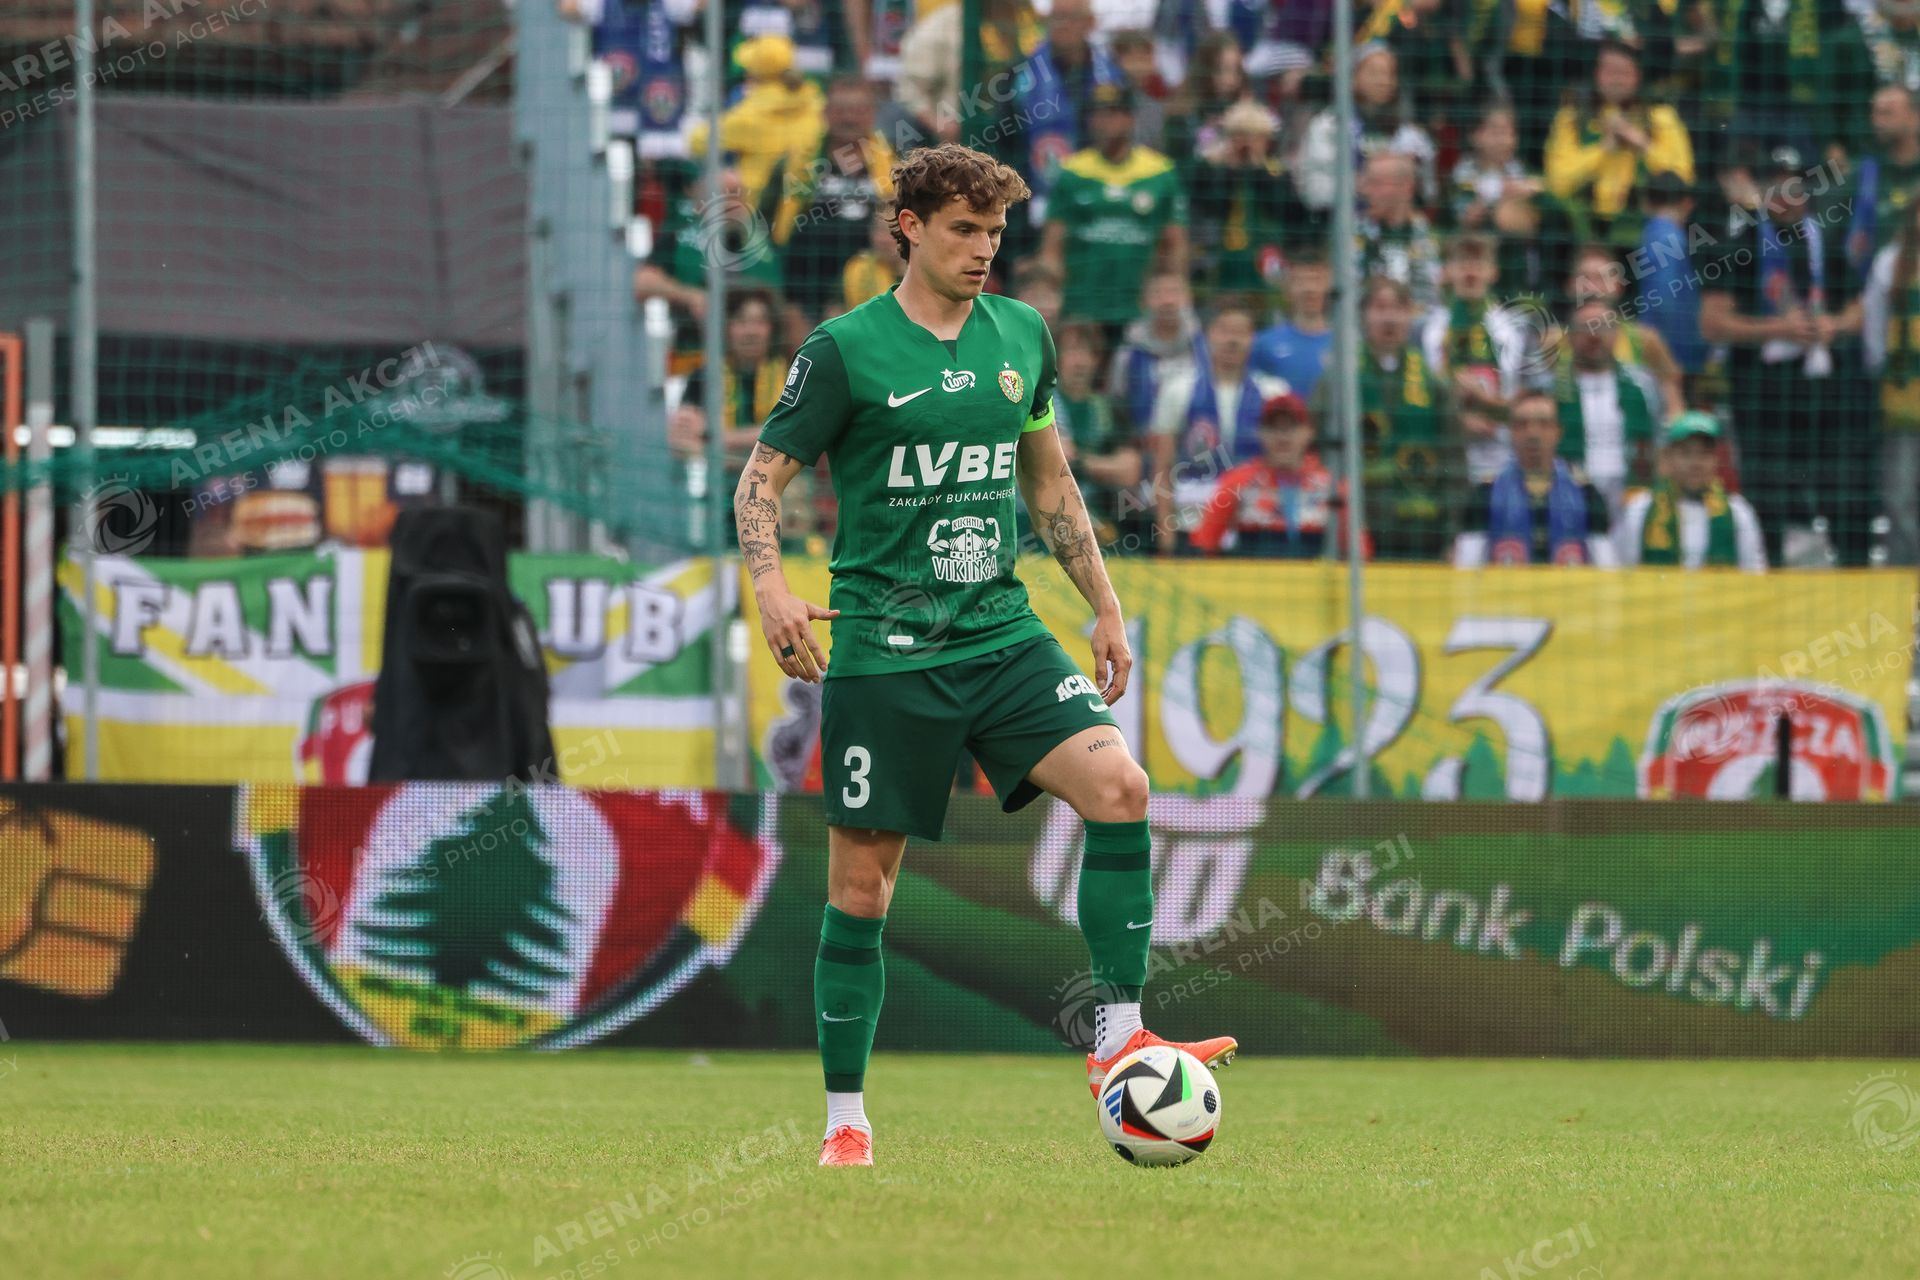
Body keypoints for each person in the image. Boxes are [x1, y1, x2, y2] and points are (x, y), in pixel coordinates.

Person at [734, 143, 1235, 1168]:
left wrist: (1105, 604)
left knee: (1122, 789)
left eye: (996, 232)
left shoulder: (1022, 334)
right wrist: (773, 586)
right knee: (862, 893)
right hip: (886, 651)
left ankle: (1118, 1040)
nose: (983, 249)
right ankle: (845, 1119)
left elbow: (1050, 485)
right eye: (964, 229)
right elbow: (760, 479)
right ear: (909, 228)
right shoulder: (844, 350)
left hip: (1002, 632)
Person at [1316, 275, 1459, 562]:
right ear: (1364, 316)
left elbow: (1454, 460)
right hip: (1358, 528)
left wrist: (1450, 531)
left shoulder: (1434, 382)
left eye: (1399, 308)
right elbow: (1321, 450)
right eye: (1380, 308)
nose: (1389, 318)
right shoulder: (1339, 379)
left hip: (1422, 529)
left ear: (1410, 315)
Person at [1040, 81, 1188, 336]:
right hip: (1082, 306)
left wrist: (1170, 293)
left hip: (1140, 307)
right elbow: (1052, 247)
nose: (1103, 121)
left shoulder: (1160, 173)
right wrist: (1054, 294)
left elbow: (1175, 244)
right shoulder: (1073, 172)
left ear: (1130, 118)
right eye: (1097, 113)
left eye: (1112, 113)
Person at [1147, 300, 1291, 550]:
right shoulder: (1178, 390)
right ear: (1208, 334)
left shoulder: (1274, 393)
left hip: (1254, 526)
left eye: (1241, 332)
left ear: (1253, 339)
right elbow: (1162, 465)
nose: (1232, 340)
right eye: (1225, 330)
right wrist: (1165, 529)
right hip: (1191, 522)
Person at [1544, 39, 1695, 248]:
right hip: (1583, 231)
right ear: (1596, 73)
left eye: (1624, 72)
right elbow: (1557, 182)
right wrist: (1603, 149)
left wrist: (1641, 143)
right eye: (1609, 71)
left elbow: (1683, 177)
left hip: (1641, 230)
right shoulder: (1572, 118)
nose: (1616, 79)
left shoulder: (1661, 117)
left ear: (1638, 75)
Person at [776, 76, 898, 322]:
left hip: (875, 286)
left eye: (857, 110)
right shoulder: (797, 164)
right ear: (826, 113)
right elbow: (775, 232)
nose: (849, 118)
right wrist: (790, 309)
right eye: (841, 110)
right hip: (808, 287)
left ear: (872, 114)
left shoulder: (895, 161)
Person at [1454, 390, 1617, 567]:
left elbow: (1606, 568)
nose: (1532, 433)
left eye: (1544, 424)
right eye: (1522, 424)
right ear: (1511, 432)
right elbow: (1466, 567)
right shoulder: (1486, 493)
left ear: (1558, 431)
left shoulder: (1586, 493)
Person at [1421, 232, 1534, 482]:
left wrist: (1488, 403)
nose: (1470, 271)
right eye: (1462, 262)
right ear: (1448, 271)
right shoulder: (1429, 329)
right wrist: (1459, 419)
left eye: (1479, 262)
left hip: (1505, 456)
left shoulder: (1517, 329)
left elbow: (1529, 395)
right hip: (1447, 456)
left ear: (1494, 271)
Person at [1190, 392, 1354, 558]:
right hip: (1256, 572)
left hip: (1317, 571)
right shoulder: (1238, 482)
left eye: (1291, 427)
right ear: (1260, 432)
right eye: (1273, 427)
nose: (1282, 436)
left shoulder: (1332, 485)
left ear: (1309, 432)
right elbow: (1204, 545)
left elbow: (1358, 551)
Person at [1854, 194, 1920, 564]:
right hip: (1903, 401)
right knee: (1899, 495)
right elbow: (1874, 330)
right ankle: (1905, 573)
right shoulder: (1890, 263)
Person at [1552, 297, 1660, 524]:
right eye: (1585, 328)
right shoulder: (1551, 387)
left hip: (1630, 498)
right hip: (1569, 493)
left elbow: (1657, 442)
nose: (1594, 335)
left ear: (1618, 333)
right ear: (1569, 336)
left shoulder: (1642, 384)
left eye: (1603, 326)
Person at [1293, 41, 1436, 211]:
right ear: (1353, 78)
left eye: (1390, 74)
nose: (1384, 81)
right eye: (1374, 73)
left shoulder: (1410, 135)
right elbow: (1315, 192)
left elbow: (1429, 192)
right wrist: (1362, 186)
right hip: (1343, 222)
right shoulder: (1328, 127)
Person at [1616, 413, 1768, 571]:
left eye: (1704, 454)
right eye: (1686, 454)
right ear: (1669, 457)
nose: (1696, 463)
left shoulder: (1738, 512)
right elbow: (1623, 570)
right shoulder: (1641, 509)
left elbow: (1754, 572)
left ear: (1716, 460)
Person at [1052, 322, 1142, 543]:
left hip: (1098, 518)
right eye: (1072, 351)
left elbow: (1129, 470)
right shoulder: (1038, 404)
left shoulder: (1110, 408)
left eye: (1088, 353)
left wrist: (1079, 462)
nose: (1080, 361)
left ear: (1098, 360)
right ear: (1056, 358)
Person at [1108, 268, 1201, 432]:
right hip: (1143, 441)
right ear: (1143, 302)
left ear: (1189, 299)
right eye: (1158, 294)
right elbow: (1117, 404)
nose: (1167, 301)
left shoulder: (1205, 349)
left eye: (1175, 292)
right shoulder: (1127, 354)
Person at [1355, 151, 1444, 309]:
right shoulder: (1353, 235)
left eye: (1376, 183)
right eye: (1366, 183)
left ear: (1406, 188)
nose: (1366, 192)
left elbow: (1431, 301)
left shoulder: (1432, 241)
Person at [1252, 249, 1335, 402]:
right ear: (1287, 291)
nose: (1309, 289)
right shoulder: (1264, 343)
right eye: (1300, 281)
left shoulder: (1346, 346)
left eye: (1316, 280)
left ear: (1328, 288)